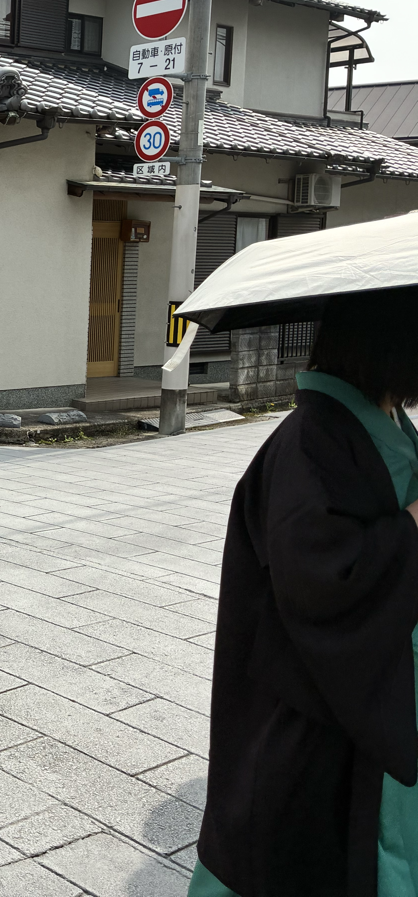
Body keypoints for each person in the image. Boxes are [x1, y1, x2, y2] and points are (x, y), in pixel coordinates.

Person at [190, 286, 418, 897]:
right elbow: (321, 583)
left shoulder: (380, 419)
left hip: (363, 689)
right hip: (318, 709)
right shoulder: (310, 441)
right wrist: (412, 526)